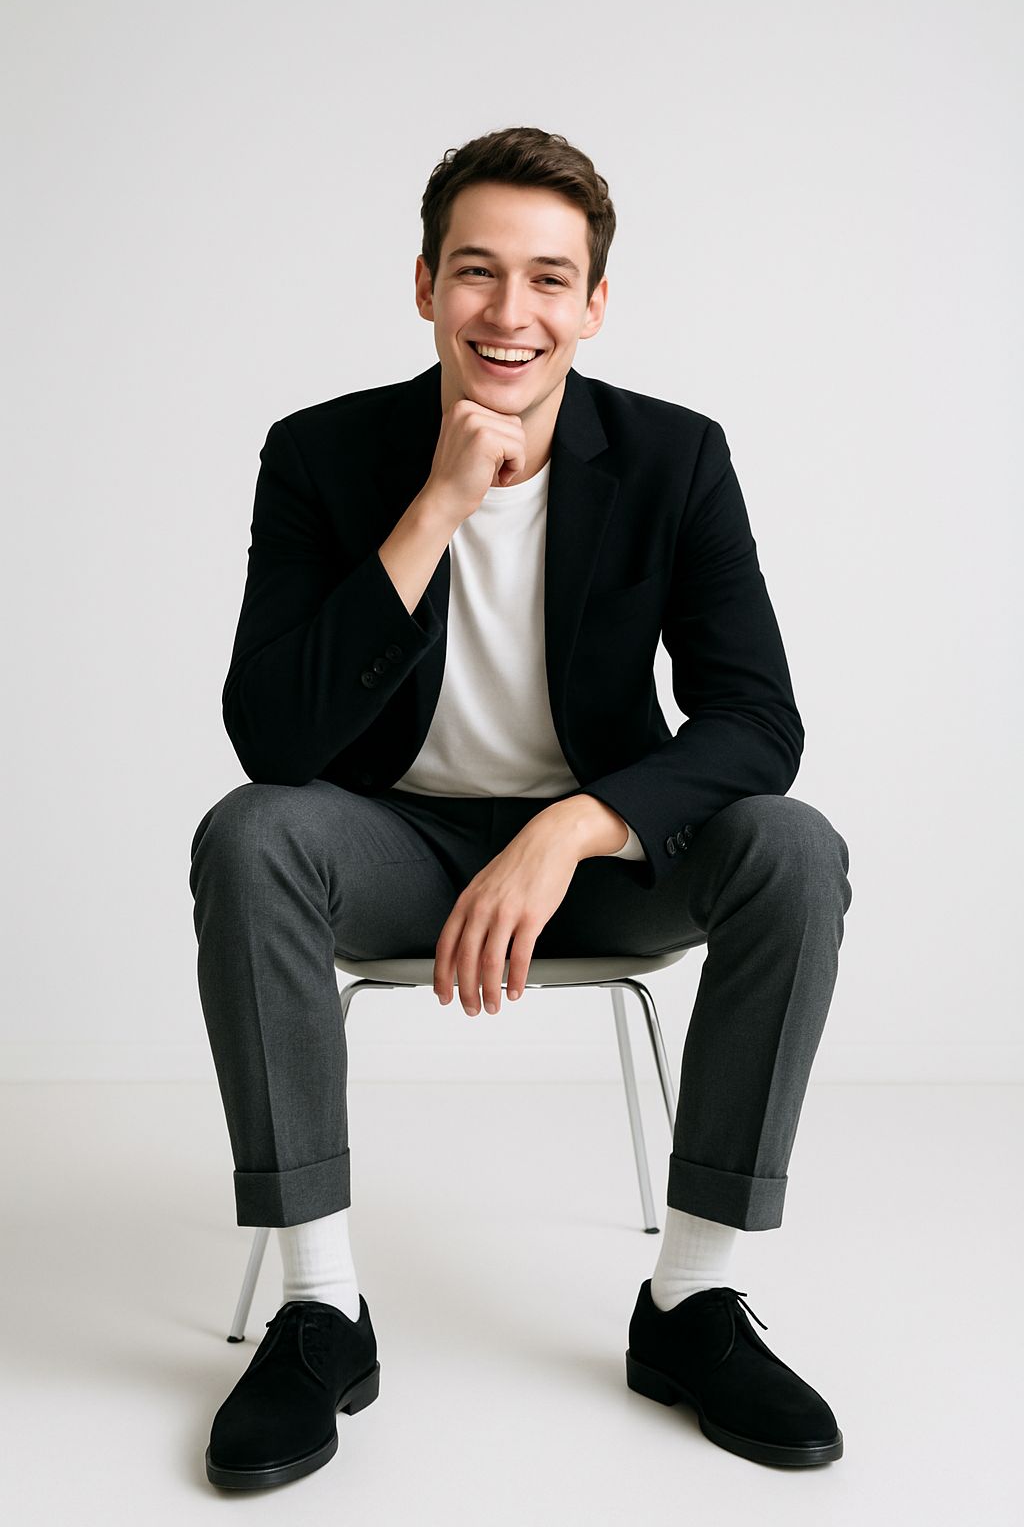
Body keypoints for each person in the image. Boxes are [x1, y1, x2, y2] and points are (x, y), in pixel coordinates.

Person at [189, 125, 853, 1489]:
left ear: (594, 304)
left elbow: (756, 721)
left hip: (598, 860)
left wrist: (574, 825)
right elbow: (273, 739)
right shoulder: (321, 455)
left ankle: (694, 1302)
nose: (511, 311)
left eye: (550, 278)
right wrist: (436, 507)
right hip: (392, 846)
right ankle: (320, 1313)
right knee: (248, 835)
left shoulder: (674, 457)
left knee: (794, 849)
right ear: (425, 285)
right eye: (477, 271)